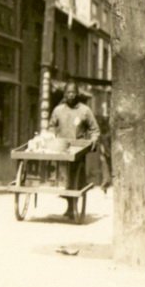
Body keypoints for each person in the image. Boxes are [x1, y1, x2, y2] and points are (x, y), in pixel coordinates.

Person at [49, 81, 100, 218]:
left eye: (73, 92)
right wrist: (51, 136)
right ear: (64, 94)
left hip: (78, 149)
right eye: (67, 93)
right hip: (61, 148)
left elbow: (94, 129)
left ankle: (74, 206)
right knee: (61, 178)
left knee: (75, 178)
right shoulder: (58, 110)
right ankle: (69, 205)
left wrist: (93, 140)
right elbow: (51, 126)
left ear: (77, 94)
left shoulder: (84, 110)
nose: (70, 95)